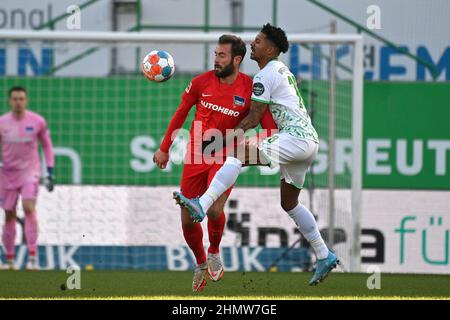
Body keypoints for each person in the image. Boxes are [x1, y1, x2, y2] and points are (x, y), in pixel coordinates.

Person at [174, 24, 339, 286]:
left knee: (238, 150)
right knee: (289, 203)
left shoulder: (264, 76)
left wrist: (222, 141)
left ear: (271, 49)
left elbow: (253, 118)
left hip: (295, 138)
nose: (254, 43)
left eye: (259, 41)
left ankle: (201, 205)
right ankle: (324, 254)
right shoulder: (280, 70)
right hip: (309, 142)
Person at [153, 35, 277, 292]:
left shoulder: (252, 88)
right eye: (215, 55)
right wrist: (164, 149)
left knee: (213, 209)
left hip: (227, 154)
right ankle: (199, 263)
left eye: (222, 55)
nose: (216, 60)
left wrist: (262, 144)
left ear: (237, 59)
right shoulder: (200, 82)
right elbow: (181, 113)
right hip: (197, 153)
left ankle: (214, 251)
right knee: (188, 219)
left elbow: (269, 128)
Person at [0, 86, 55, 270]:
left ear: (26, 101)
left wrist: (50, 170)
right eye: (15, 99)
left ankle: (32, 258)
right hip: (7, 174)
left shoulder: (37, 121)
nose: (18, 102)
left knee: (29, 208)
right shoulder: (2, 123)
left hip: (30, 173)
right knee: (9, 215)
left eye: (21, 99)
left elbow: (47, 146)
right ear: (10, 101)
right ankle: (9, 260)